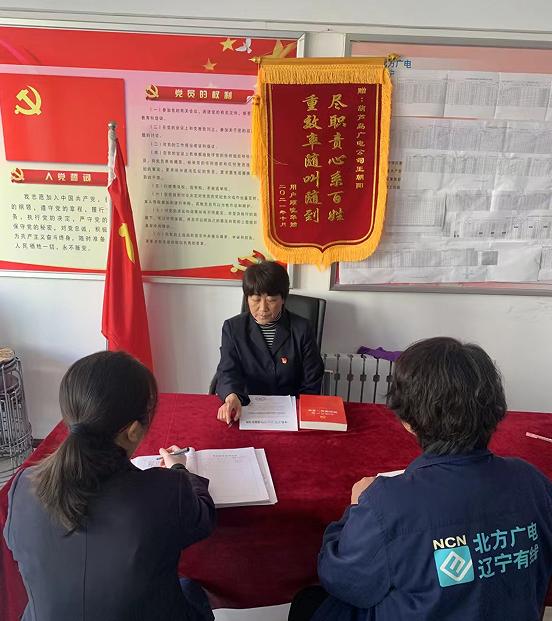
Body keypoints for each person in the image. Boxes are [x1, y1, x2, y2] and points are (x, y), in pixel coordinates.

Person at [289, 337, 552, 621]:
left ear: (408, 421)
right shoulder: (533, 481)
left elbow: (344, 581)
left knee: (309, 602)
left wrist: (353, 511)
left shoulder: (388, 502)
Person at [4, 351, 216, 621]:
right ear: (133, 431)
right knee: (191, 591)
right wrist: (179, 469)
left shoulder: (22, 486)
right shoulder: (165, 492)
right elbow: (203, 519)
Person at [215, 260, 324, 423]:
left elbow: (312, 379)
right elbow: (227, 370)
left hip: (291, 412)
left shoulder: (302, 328)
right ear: (247, 298)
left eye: (271, 300)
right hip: (246, 408)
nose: (263, 308)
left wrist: (300, 412)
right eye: (255, 299)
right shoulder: (233, 328)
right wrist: (231, 396)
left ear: (283, 298)